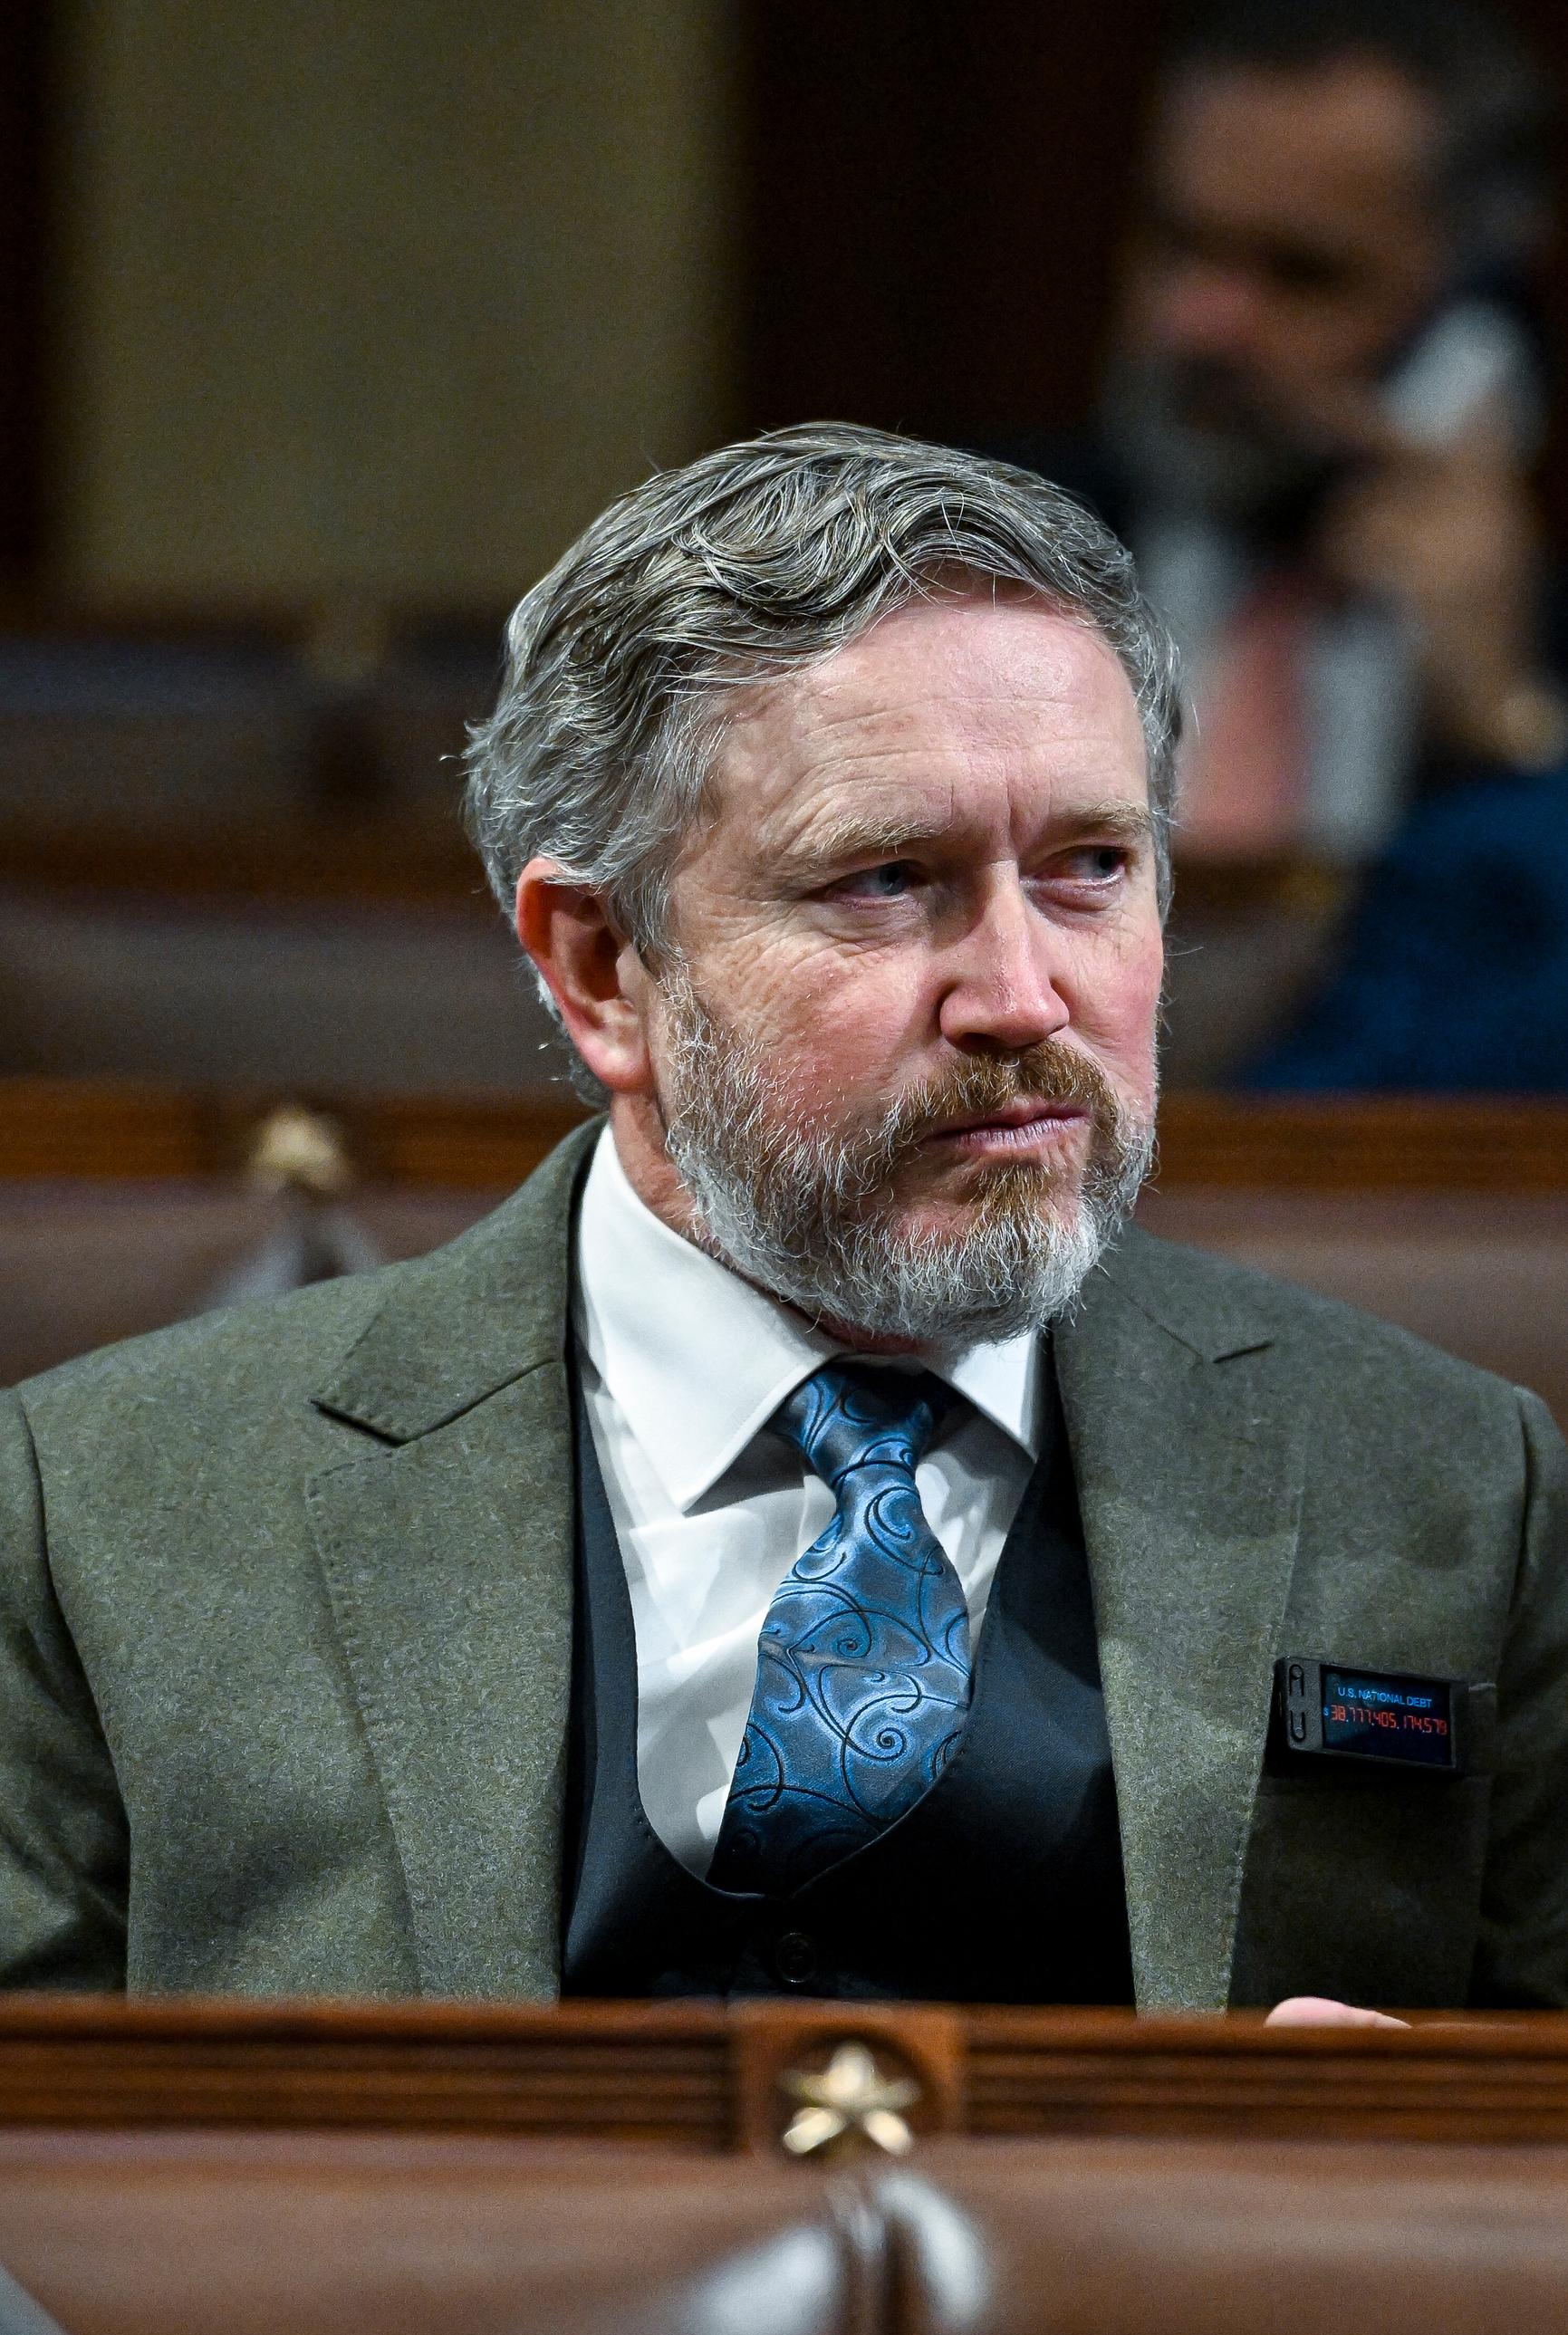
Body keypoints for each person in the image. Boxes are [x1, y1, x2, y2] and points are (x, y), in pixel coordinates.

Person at [2, 426, 1564, 2014]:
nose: (1023, 996)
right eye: (886, 879)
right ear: (603, 965)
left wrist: (1423, 2175)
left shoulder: (1455, 1490)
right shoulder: (106, 1523)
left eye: (1092, 864)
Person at [1010, 0, 1568, 1083]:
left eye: (1302, 273)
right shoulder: (963, 561)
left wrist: (1500, 729)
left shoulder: (1538, 681)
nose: (1200, 324)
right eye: (1179, 244)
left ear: (1475, 316)